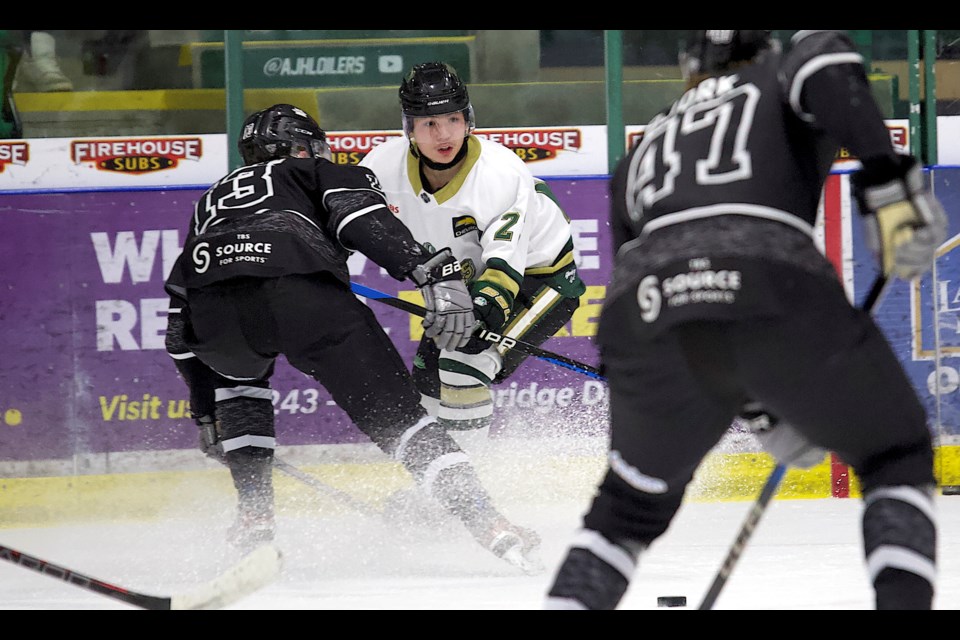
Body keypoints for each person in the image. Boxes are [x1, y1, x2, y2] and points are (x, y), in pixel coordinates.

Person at [545, 30, 946, 610]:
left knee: (624, 512)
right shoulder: (779, 74)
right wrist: (887, 181)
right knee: (894, 456)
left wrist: (758, 409)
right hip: (767, 281)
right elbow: (828, 62)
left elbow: (649, 280)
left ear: (689, 65)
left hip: (644, 312)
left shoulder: (639, 146)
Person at [164, 103, 543, 574]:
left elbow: (179, 330)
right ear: (303, 147)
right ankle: (489, 523)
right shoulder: (313, 171)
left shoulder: (212, 200)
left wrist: (206, 410)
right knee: (407, 424)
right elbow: (359, 220)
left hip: (215, 312)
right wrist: (431, 272)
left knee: (239, 385)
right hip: (303, 300)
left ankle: (254, 518)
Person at [359, 61, 586, 434]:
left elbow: (503, 268)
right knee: (427, 387)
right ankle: (433, 480)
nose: (443, 134)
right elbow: (342, 222)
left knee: (464, 363)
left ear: (468, 120)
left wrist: (483, 311)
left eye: (452, 119)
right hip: (460, 285)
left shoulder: (500, 173)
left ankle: (464, 486)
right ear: (409, 128)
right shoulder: (382, 167)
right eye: (429, 123)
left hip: (541, 278)